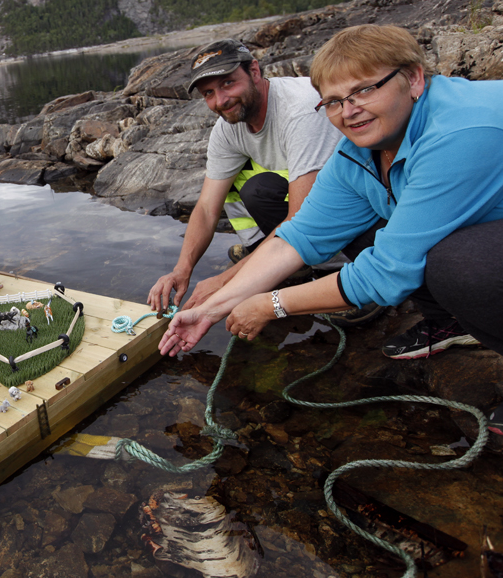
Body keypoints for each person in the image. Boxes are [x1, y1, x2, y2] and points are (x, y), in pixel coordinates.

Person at [160, 24, 497, 360]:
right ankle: (453, 322)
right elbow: (299, 235)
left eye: (364, 90)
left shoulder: (458, 134)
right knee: (351, 223)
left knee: (459, 265)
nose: (349, 111)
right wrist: (211, 310)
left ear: (413, 79)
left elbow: (387, 271)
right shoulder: (357, 152)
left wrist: (272, 305)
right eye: (334, 101)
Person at [148, 39, 344, 315]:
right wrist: (182, 270)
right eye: (208, 93)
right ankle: (274, 259)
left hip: (354, 211)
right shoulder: (228, 128)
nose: (220, 101)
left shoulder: (300, 109)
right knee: (234, 180)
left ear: (254, 71)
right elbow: (206, 208)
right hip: (303, 209)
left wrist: (227, 281)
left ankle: (338, 273)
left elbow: (302, 218)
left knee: (289, 210)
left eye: (228, 83)